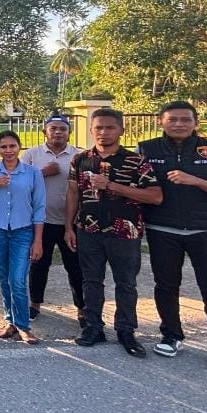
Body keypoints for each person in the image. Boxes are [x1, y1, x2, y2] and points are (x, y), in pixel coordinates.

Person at [139, 100, 207, 374]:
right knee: (165, 286)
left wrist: (195, 180)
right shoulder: (146, 149)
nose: (179, 124)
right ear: (161, 122)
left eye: (185, 119)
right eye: (172, 119)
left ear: (196, 123)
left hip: (206, 230)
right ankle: (170, 335)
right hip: (162, 230)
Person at [66, 108, 161, 358]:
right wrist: (69, 227)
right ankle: (93, 327)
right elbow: (73, 193)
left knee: (126, 283)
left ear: (121, 130)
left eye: (110, 127)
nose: (103, 132)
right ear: (91, 130)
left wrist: (111, 185)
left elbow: (155, 196)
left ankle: (126, 330)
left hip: (125, 232)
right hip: (88, 230)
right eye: (98, 127)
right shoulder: (80, 160)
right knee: (91, 281)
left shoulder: (136, 161)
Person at [0, 131, 46, 344]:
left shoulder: (32, 173)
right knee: (4, 278)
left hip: (22, 230)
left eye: (12, 146)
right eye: (4, 147)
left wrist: (38, 240)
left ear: (19, 147)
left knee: (17, 279)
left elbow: (39, 207)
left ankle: (23, 326)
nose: (8, 151)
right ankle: (10, 322)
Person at [20, 112, 85, 325]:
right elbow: (20, 184)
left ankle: (82, 309)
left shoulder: (79, 155)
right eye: (53, 128)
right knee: (39, 265)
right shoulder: (32, 155)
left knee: (75, 267)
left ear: (69, 132)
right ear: (44, 131)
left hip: (70, 223)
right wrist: (42, 172)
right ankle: (35, 304)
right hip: (41, 222)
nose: (58, 132)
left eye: (63, 129)